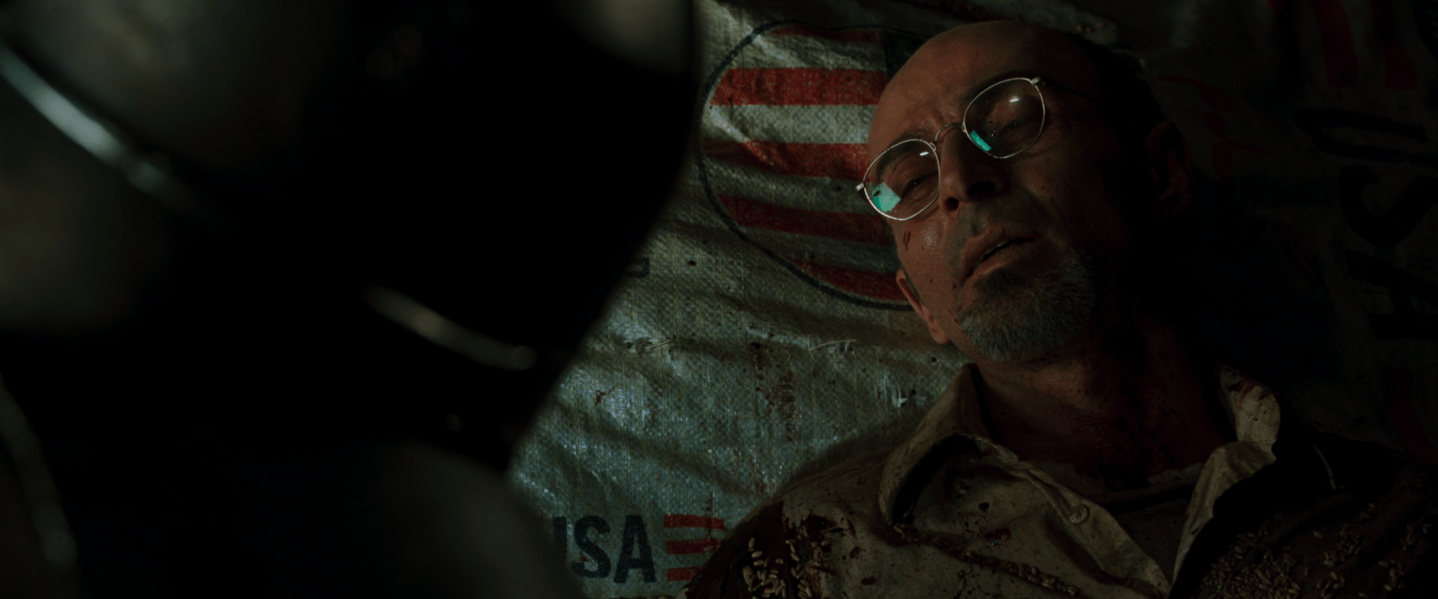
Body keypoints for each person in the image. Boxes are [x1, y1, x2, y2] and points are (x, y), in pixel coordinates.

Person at [680, 21, 1438, 599]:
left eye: (1013, 120)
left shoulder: (1399, 520)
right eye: (910, 182)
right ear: (922, 306)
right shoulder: (805, 559)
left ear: (1161, 174)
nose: (960, 180)